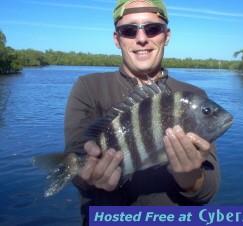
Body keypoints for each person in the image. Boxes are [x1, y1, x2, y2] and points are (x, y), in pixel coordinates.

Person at [64, 0, 220, 225]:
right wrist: (88, 176)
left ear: (166, 36)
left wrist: (190, 177)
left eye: (152, 29)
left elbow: (208, 191)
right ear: (117, 40)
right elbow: (76, 165)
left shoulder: (193, 96)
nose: (141, 38)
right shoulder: (88, 87)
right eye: (128, 31)